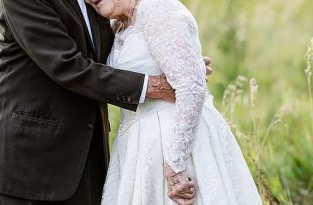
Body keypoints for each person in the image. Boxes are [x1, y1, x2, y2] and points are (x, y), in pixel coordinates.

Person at [0, 0, 211, 204]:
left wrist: (179, 64)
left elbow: (115, 59)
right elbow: (67, 65)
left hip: (86, 161)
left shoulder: (100, 6)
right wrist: (152, 86)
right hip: (29, 164)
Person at [85, 0, 263, 204]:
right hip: (138, 145)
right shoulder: (118, 25)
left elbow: (191, 87)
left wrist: (176, 164)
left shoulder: (156, 8)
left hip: (173, 138)